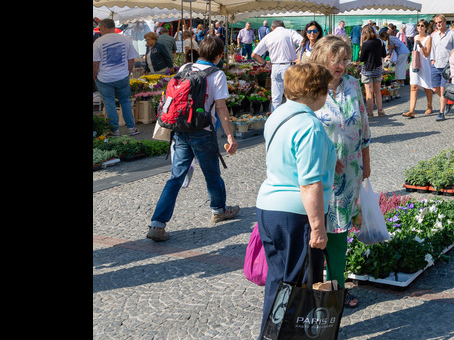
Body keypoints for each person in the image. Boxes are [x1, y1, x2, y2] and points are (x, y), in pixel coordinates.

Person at [252, 62, 336, 340]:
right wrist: (318, 228)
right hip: (296, 212)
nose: (328, 94)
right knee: (299, 284)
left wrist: (332, 161)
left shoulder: (279, 115)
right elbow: (309, 182)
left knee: (280, 279)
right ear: (315, 91)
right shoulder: (310, 125)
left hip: (269, 206)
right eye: (325, 89)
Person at [147, 35, 239, 242]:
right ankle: (218, 210)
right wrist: (230, 136)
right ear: (219, 55)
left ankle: (157, 224)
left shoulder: (185, 68)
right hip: (203, 131)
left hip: (179, 129)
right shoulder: (217, 74)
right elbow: (221, 107)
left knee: (175, 177)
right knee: (212, 174)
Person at [309, 36, 372, 310]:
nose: (342, 65)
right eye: (336, 59)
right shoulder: (311, 88)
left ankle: (337, 287)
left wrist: (366, 164)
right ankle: (310, 287)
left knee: (339, 233)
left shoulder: (352, 84)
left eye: (345, 59)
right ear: (322, 58)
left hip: (351, 171)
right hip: (320, 174)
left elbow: (364, 126)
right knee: (316, 231)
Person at [94, 18, 140, 136]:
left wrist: (95, 76)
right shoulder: (125, 39)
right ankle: (131, 128)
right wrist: (128, 72)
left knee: (109, 103)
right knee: (125, 101)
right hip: (122, 76)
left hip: (104, 78)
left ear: (103, 28)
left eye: (100, 28)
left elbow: (95, 63)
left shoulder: (98, 42)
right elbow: (131, 60)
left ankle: (114, 130)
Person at [252, 19, 304, 111]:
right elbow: (303, 42)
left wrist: (265, 63)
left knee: (276, 98)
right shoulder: (290, 32)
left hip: (275, 67)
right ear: (283, 26)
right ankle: (291, 119)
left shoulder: (268, 36)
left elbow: (254, 55)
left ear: (272, 28)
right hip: (288, 66)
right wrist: (299, 58)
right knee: (291, 97)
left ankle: (275, 120)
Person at [429, 14, 454, 122]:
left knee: (443, 89)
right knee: (435, 88)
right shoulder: (435, 35)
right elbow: (433, 48)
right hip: (436, 64)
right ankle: (446, 101)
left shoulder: (452, 34)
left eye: (440, 22)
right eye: (436, 22)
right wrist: (432, 60)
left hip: (447, 65)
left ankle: (441, 112)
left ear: (444, 22)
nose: (438, 24)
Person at [402, 22, 435, 118]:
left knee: (427, 86)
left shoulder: (428, 38)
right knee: (413, 86)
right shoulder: (415, 37)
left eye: (422, 26)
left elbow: (426, 54)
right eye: (418, 25)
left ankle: (429, 106)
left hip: (424, 64)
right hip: (415, 64)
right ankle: (411, 110)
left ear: (425, 27)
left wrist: (421, 45)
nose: (420, 27)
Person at [358, 25, 386, 117]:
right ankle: (380, 111)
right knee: (377, 91)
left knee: (369, 92)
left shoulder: (366, 44)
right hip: (377, 69)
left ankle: (370, 112)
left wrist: (361, 48)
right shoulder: (380, 42)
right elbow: (384, 54)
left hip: (367, 70)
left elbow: (362, 59)